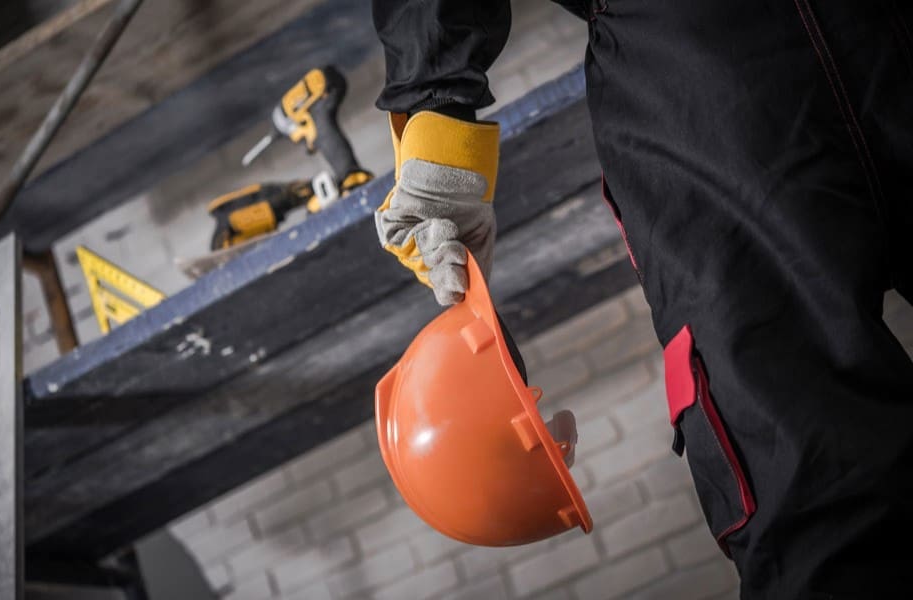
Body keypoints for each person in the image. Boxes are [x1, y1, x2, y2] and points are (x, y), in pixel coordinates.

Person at [370, 0, 913, 597]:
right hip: (694, 66)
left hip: (700, 79)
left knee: (813, 493)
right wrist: (435, 114)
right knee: (816, 498)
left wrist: (434, 106)